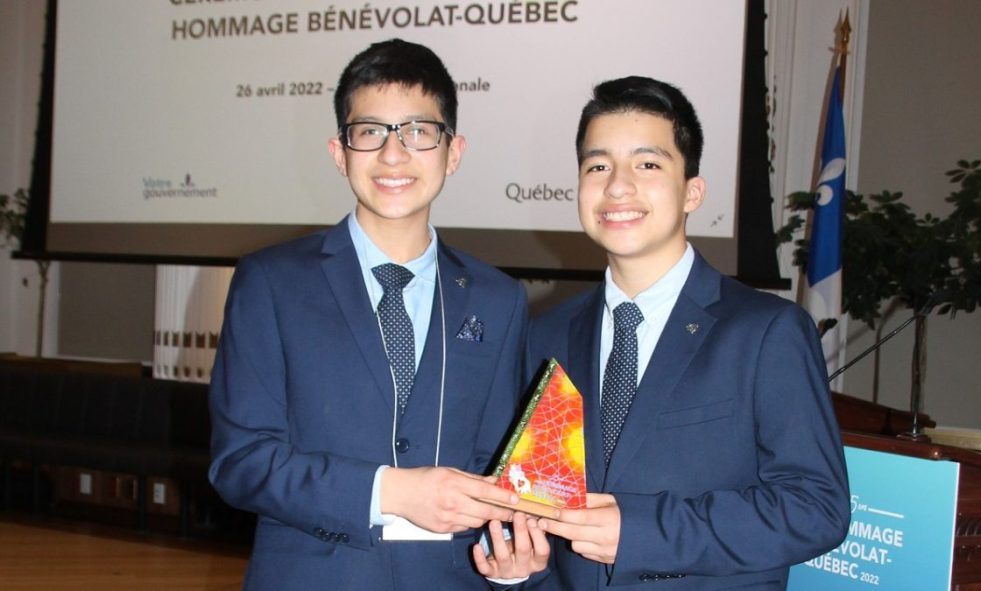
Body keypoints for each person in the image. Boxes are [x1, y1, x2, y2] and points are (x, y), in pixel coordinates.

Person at [209, 38, 547, 589]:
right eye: (370, 133)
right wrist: (390, 492)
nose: (394, 156)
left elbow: (499, 470)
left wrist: (510, 564)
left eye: (419, 132)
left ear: (453, 152)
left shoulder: (497, 298)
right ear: (340, 153)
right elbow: (241, 462)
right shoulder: (271, 282)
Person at [526, 76, 850, 590]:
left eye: (647, 164)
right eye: (598, 165)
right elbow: (541, 498)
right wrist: (520, 570)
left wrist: (641, 531)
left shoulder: (767, 332)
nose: (617, 185)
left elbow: (816, 508)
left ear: (692, 191)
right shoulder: (547, 334)